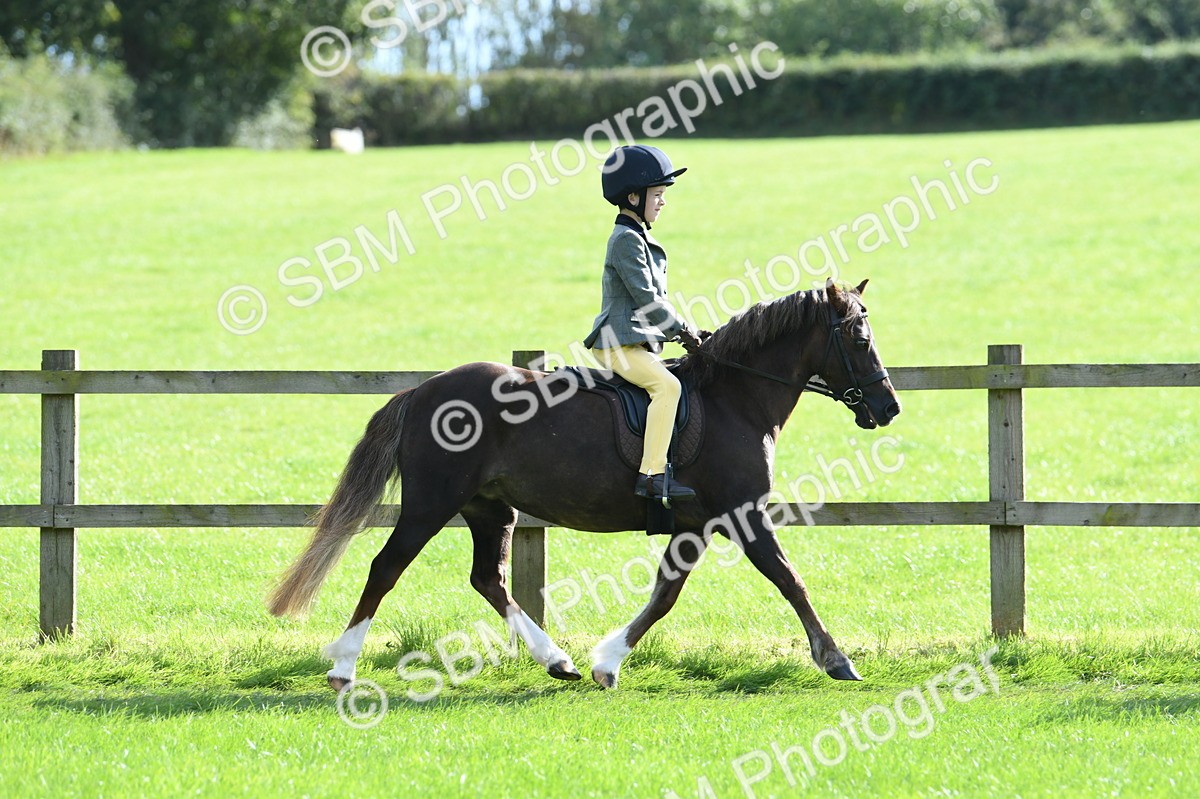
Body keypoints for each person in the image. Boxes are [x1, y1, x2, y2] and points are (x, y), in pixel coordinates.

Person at [583, 144, 708, 500]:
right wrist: (682, 332)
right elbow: (648, 300)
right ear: (633, 197)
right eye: (658, 194)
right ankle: (651, 476)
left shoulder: (638, 236)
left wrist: (692, 331)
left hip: (634, 342)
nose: (663, 201)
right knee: (667, 388)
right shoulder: (625, 240)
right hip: (616, 344)